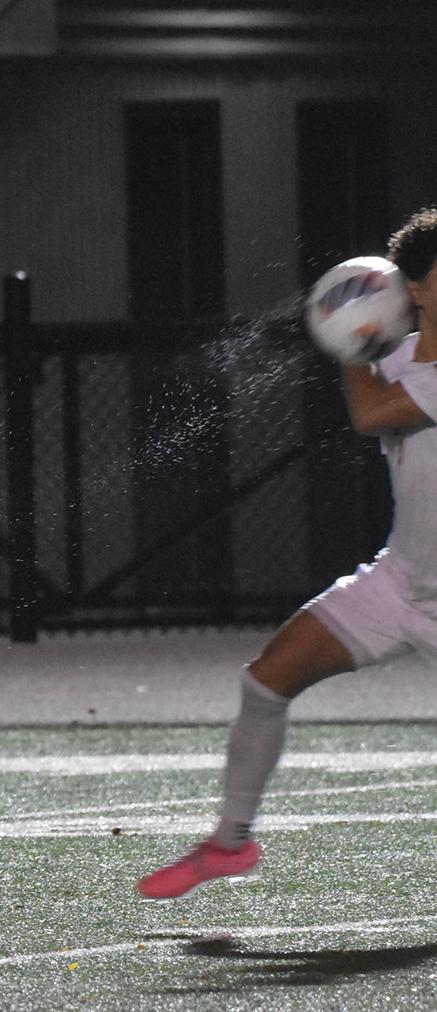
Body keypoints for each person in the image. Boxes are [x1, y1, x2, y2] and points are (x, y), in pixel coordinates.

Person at [138, 207, 437, 899]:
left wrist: (351, 339)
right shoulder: (393, 360)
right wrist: (359, 334)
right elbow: (376, 388)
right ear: (416, 289)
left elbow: (371, 414)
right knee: (266, 681)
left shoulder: (381, 365)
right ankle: (229, 842)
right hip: (401, 582)